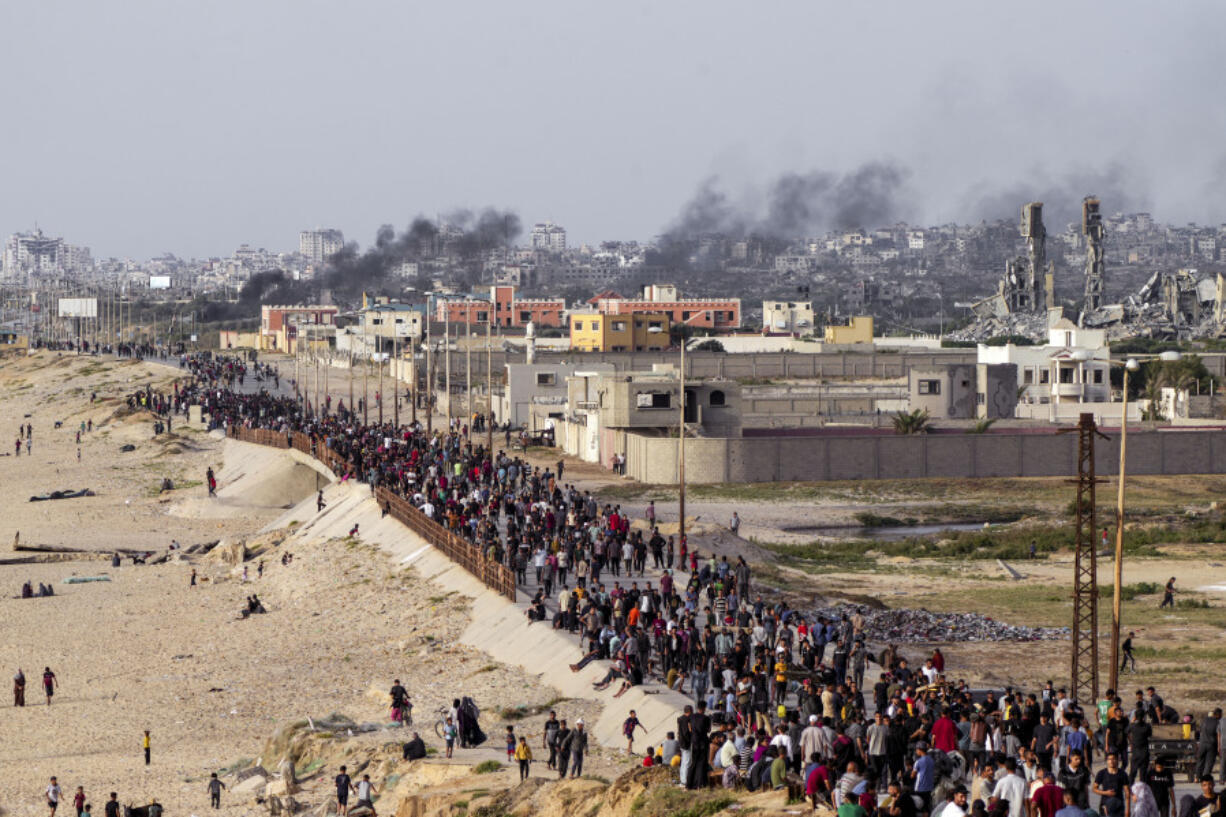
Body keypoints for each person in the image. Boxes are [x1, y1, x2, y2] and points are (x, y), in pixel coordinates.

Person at [1093, 752, 1131, 817]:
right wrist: (1105, 793)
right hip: (1105, 805)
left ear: (1118, 760)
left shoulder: (1123, 774)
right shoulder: (1101, 773)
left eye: (1113, 759)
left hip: (1119, 805)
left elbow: (1127, 792)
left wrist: (1128, 810)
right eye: (1109, 759)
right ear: (1107, 761)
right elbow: (1094, 788)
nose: (1111, 761)